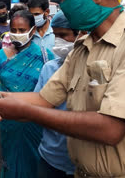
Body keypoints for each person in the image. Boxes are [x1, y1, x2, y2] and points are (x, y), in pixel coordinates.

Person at [0, 0, 125, 177]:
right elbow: (44, 98)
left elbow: (111, 129)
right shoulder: (83, 47)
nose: (64, 8)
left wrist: (26, 112)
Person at [0, 10, 54, 178]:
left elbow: (51, 97)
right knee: (11, 161)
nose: (17, 34)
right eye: (13, 30)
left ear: (33, 30)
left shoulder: (46, 57)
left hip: (34, 120)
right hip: (7, 119)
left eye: (22, 31)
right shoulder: (1, 55)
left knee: (34, 164)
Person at [34, 10, 77, 178]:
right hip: (51, 155)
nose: (58, 41)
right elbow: (38, 102)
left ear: (80, 34)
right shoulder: (50, 68)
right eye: (56, 35)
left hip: (80, 161)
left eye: (63, 35)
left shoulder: (93, 69)